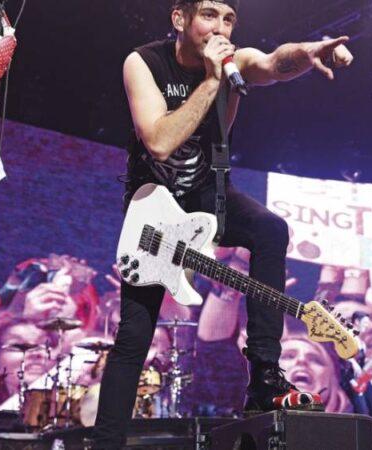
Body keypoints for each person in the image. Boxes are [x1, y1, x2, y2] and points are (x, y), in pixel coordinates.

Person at [94, 1, 354, 446]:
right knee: (134, 336)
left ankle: (265, 375)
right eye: (210, 15)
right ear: (180, 19)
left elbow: (273, 62)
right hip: (154, 212)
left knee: (270, 229)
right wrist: (213, 80)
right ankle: (106, 442)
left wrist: (310, 52)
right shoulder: (144, 62)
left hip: (209, 197)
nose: (221, 28)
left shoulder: (235, 62)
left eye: (229, 19)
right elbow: (158, 141)